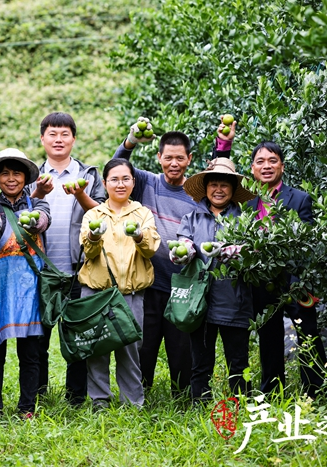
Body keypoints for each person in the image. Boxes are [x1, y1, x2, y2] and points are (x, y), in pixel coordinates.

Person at [113, 118, 236, 393]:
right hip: (149, 281)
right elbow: (117, 167)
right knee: (145, 345)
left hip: (184, 284)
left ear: (189, 159)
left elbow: (221, 181)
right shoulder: (146, 182)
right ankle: (138, 393)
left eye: (180, 158)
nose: (174, 163)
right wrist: (131, 139)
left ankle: (181, 396)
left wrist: (223, 144)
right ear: (159, 158)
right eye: (168, 157)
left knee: (181, 350)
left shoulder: (196, 193)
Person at [29, 111, 105, 405]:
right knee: (38, 339)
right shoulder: (32, 176)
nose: (58, 140)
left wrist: (80, 195)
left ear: (73, 138)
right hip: (42, 271)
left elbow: (100, 215)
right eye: (52, 134)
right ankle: (36, 396)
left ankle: (76, 397)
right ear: (42, 139)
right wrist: (37, 192)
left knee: (78, 336)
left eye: (64, 134)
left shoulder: (87, 176)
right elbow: (24, 216)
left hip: (79, 269)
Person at [170, 158, 256, 403]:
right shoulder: (192, 218)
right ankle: (201, 407)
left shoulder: (244, 219)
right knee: (200, 362)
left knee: (238, 362)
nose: (219, 190)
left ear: (232, 189)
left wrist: (234, 251)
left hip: (234, 299)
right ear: (206, 188)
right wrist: (182, 252)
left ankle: (241, 408)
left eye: (224, 185)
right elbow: (184, 243)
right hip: (201, 301)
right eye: (214, 184)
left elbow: (255, 252)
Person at [246, 141, 327, 399]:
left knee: (308, 335)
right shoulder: (247, 202)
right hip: (262, 283)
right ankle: (272, 394)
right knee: (269, 339)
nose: (266, 166)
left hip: (296, 282)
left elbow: (307, 242)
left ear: (282, 165)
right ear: (252, 168)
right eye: (260, 161)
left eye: (272, 160)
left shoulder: (299, 198)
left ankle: (316, 392)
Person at [0, 148, 51, 422]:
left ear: (25, 178)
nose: (10, 178)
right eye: (5, 173)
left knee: (30, 353)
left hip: (30, 290)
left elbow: (43, 220)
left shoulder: (38, 205)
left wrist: (34, 223)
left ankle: (26, 407)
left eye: (16, 173)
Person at [79, 158, 160, 408]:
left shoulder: (142, 213)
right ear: (104, 183)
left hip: (131, 293)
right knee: (97, 349)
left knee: (130, 349)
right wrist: (93, 236)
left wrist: (138, 235)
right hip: (96, 293)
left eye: (125, 178)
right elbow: (87, 252)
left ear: (133, 182)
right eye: (114, 179)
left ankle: (132, 402)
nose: (120, 184)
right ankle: (99, 401)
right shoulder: (93, 214)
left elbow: (151, 249)